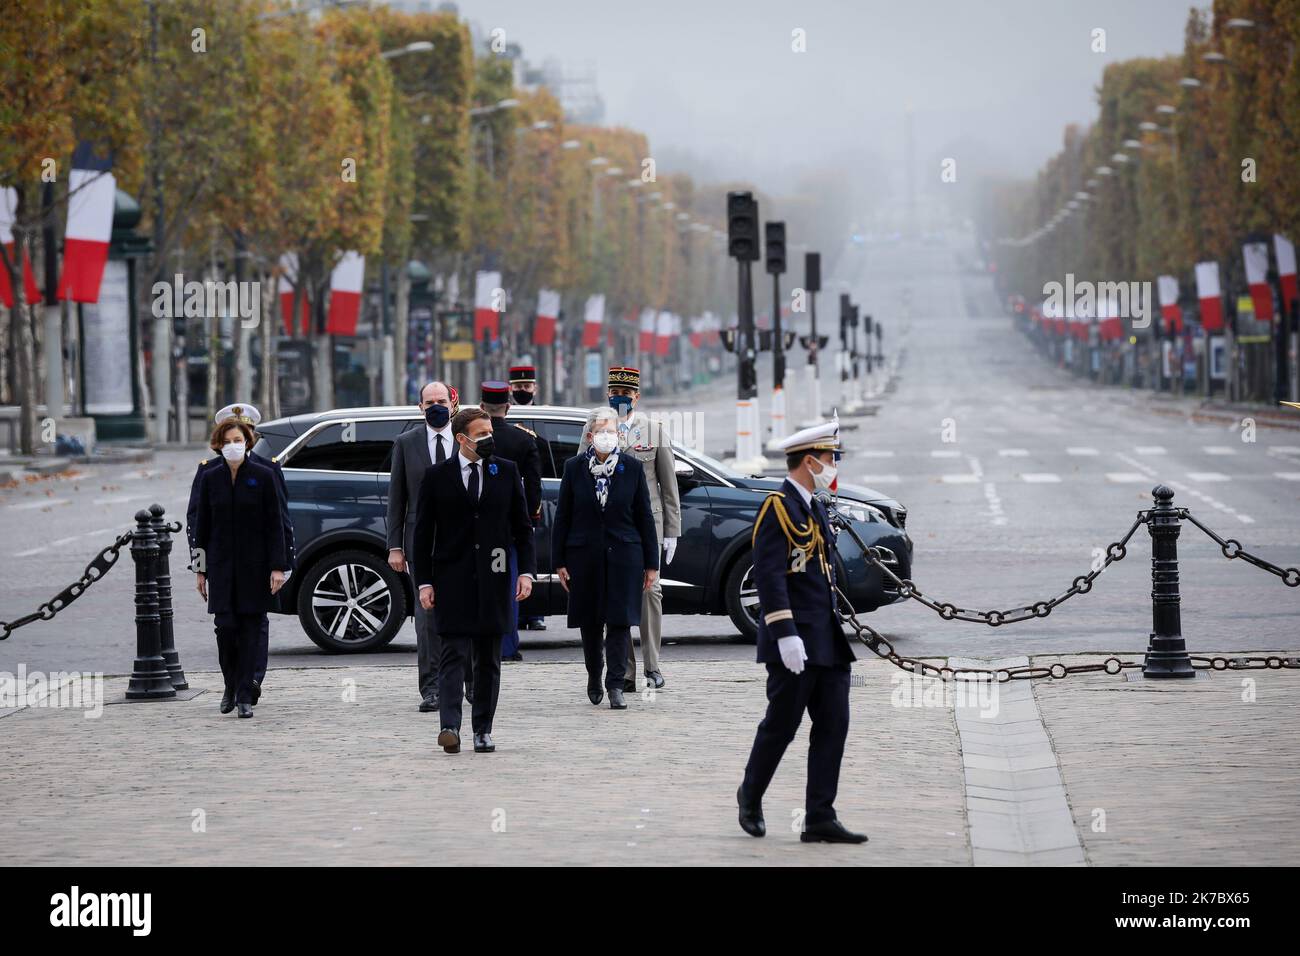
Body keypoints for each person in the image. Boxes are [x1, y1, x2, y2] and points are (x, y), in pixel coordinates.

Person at [736, 421, 868, 844]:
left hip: (826, 637)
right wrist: (785, 633)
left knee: (834, 724)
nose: (834, 466)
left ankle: (819, 817)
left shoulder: (812, 504)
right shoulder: (778, 508)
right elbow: (770, 576)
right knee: (782, 724)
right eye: (830, 459)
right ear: (809, 461)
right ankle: (750, 795)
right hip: (793, 640)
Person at [413, 408, 536, 754]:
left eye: (489, 432)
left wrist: (525, 571)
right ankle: (450, 726)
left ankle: (483, 729)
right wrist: (424, 582)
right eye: (481, 434)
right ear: (462, 438)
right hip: (451, 579)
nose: (488, 439)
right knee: (452, 654)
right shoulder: (437, 477)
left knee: (488, 659)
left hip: (495, 579)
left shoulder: (506, 471)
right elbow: (422, 536)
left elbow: (522, 529)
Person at [186, 403, 294, 707]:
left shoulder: (265, 472)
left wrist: (281, 566)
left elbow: (279, 523)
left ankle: (247, 689)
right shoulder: (209, 475)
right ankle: (231, 684)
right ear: (220, 443)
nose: (234, 445)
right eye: (228, 440)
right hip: (221, 567)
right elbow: (199, 524)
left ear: (249, 439)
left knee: (252, 626)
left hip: (255, 567)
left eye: (240, 439)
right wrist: (199, 568)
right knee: (226, 628)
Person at [553, 406, 659, 710]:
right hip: (583, 556)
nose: (605, 436)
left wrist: (652, 564)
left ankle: (615, 685)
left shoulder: (632, 468)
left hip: (625, 555)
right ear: (589, 436)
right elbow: (563, 516)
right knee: (590, 621)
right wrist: (559, 561)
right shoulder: (574, 468)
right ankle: (594, 675)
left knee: (619, 621)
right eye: (600, 431)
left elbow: (644, 518)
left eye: (611, 430)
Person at [606, 366, 680, 691]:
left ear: (637, 396)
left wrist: (672, 531)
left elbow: (668, 485)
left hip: (646, 524)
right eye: (615, 393)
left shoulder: (654, 430)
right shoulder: (597, 429)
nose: (620, 398)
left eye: (626, 394)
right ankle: (625, 672)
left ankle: (653, 666)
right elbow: (579, 473)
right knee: (616, 596)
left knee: (650, 592)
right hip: (609, 527)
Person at [387, 381, 455, 712]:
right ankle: (431, 687)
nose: (435, 406)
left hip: (462, 541)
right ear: (420, 407)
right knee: (426, 614)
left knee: (464, 611)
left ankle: (466, 680)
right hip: (419, 542)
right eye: (429, 402)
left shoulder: (467, 437)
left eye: (441, 400)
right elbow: (397, 498)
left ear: (452, 403)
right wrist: (395, 546)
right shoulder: (406, 442)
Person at [480, 380, 542, 663]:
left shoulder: (470, 437)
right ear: (508, 406)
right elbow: (533, 487)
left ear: (482, 407)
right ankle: (506, 647)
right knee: (508, 586)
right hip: (509, 527)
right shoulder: (523, 439)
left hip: (476, 526)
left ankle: (479, 642)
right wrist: (530, 518)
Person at [510, 363, 550, 634]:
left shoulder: (545, 416)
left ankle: (535, 613)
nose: (523, 391)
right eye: (518, 387)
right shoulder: (503, 416)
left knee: (537, 554)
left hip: (539, 493)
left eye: (527, 387)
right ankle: (519, 611)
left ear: (535, 388)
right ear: (510, 389)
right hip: (513, 494)